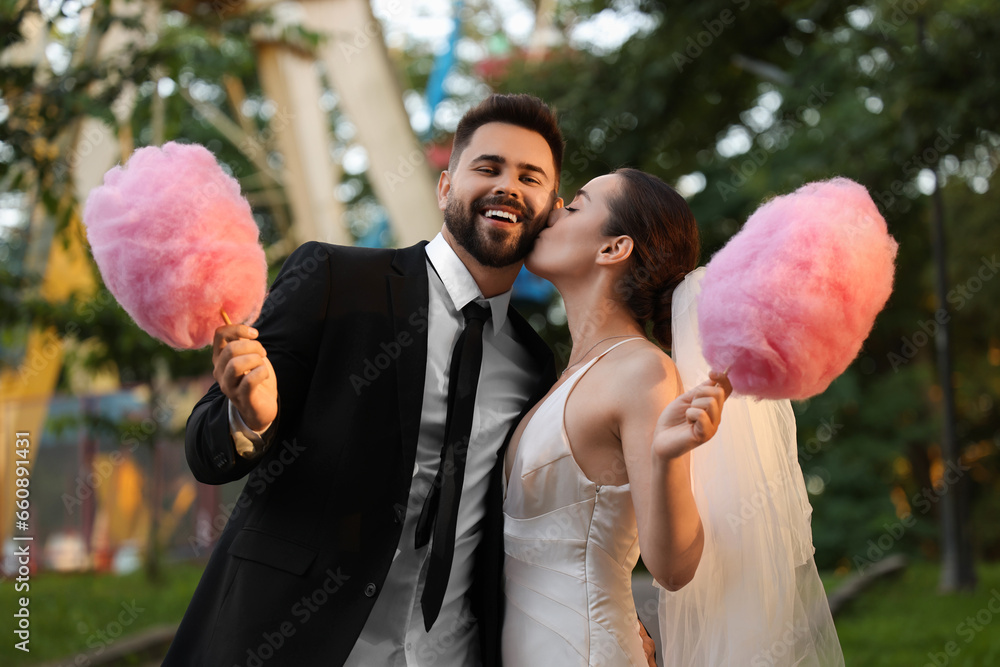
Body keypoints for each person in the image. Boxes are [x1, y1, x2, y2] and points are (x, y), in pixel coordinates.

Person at [164, 93, 564, 666]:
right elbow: (206, 450)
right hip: (291, 639)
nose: (508, 186)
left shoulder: (534, 363)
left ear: (550, 207)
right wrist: (249, 418)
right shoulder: (335, 279)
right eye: (488, 167)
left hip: (449, 653)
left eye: (530, 177)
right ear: (446, 186)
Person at [501, 168, 842, 666]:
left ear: (613, 249)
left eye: (574, 205)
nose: (551, 210)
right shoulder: (557, 374)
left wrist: (664, 459)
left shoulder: (641, 372)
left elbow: (675, 567)